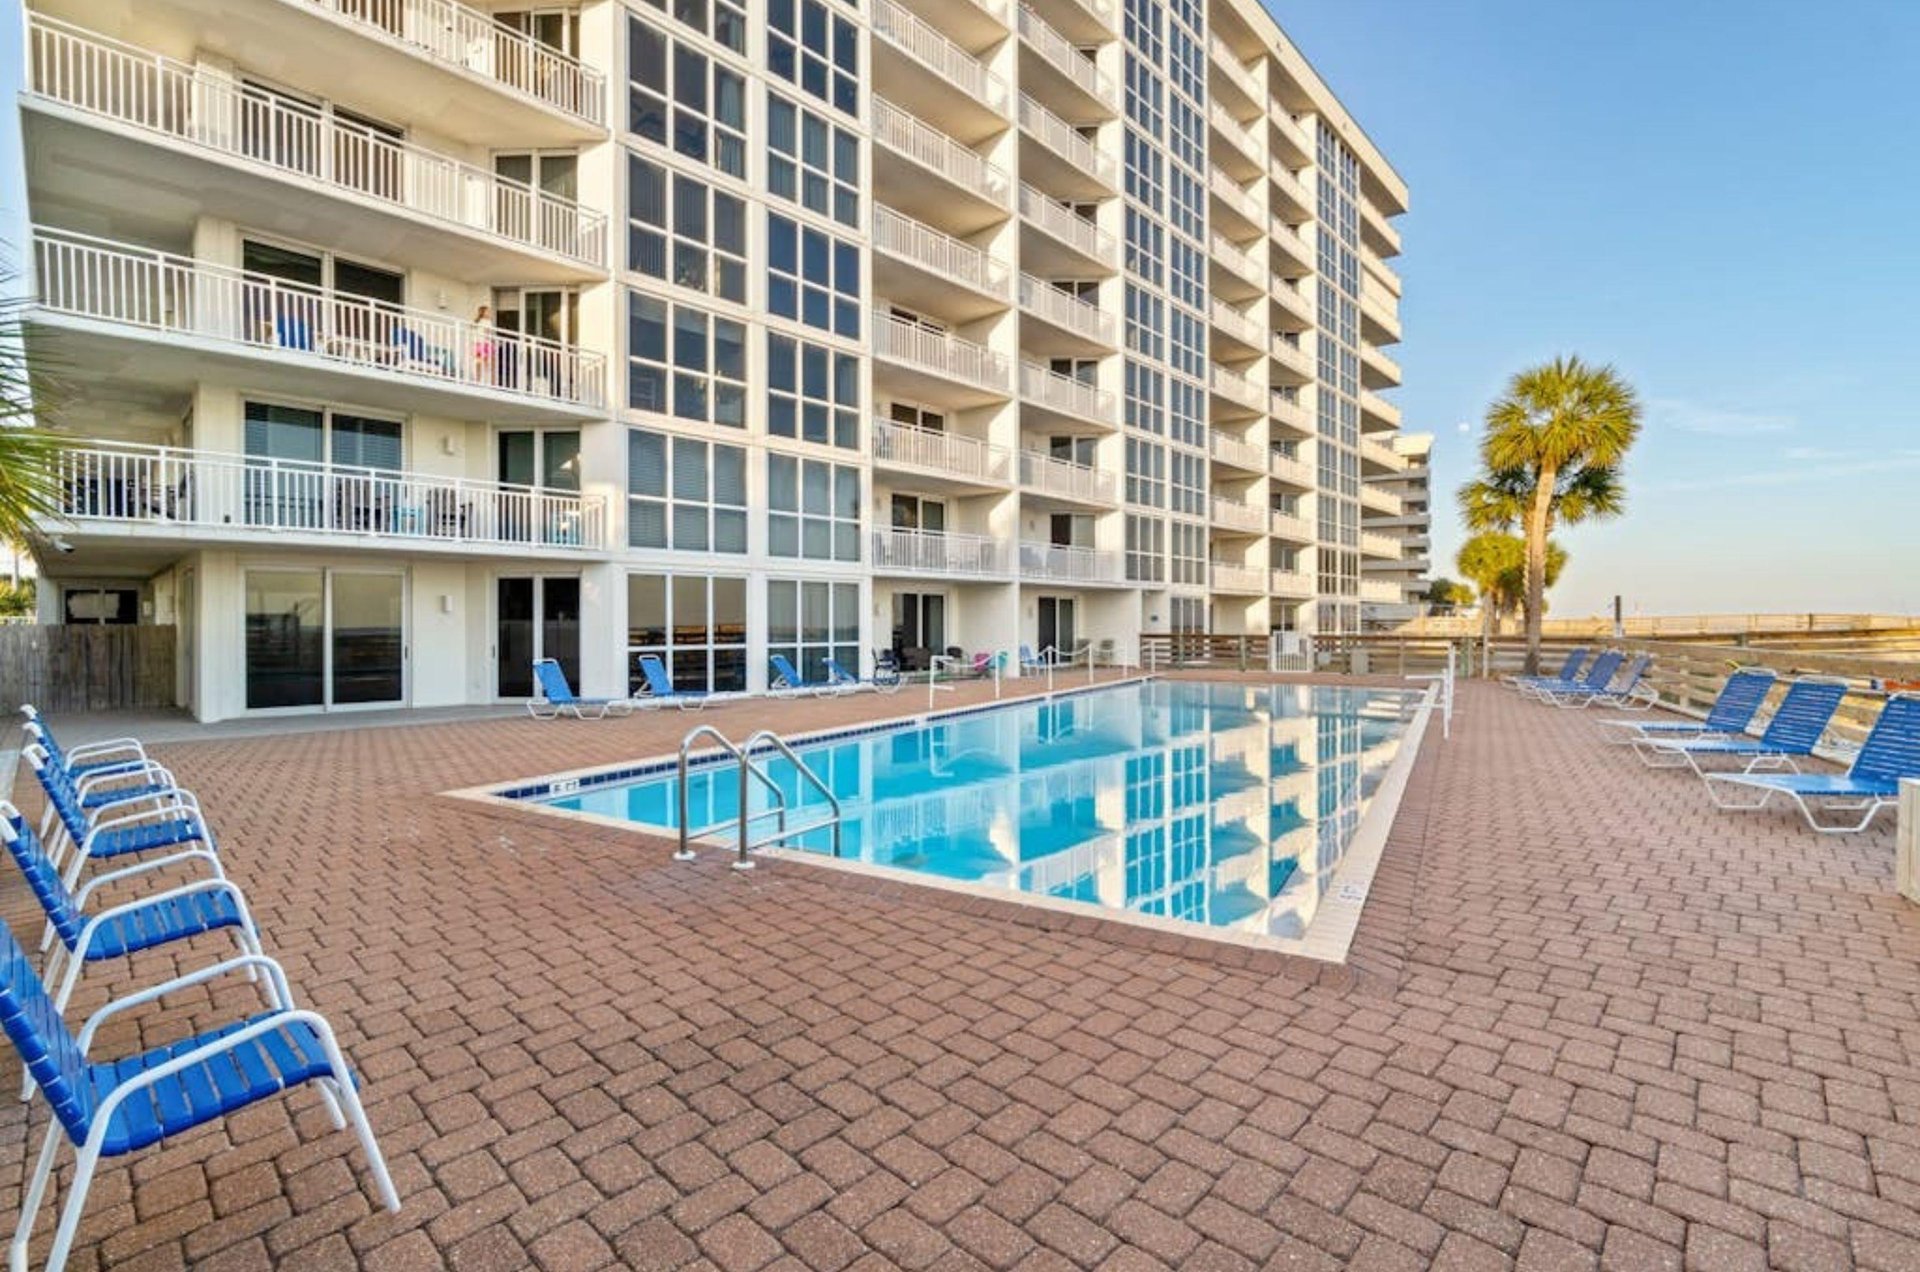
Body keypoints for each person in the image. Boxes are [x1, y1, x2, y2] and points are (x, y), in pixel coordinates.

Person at [473, 304, 495, 383]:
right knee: (488, 362)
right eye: (487, 311)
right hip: (485, 343)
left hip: (478, 343)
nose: (489, 313)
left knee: (480, 362)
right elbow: (488, 332)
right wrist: (491, 340)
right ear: (483, 312)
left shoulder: (478, 321)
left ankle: (478, 379)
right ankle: (489, 380)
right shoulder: (487, 321)